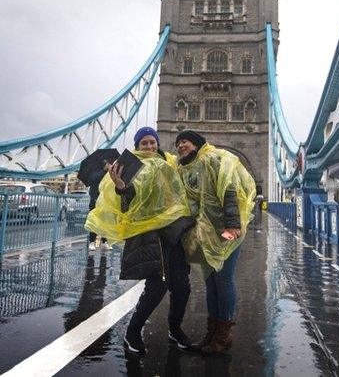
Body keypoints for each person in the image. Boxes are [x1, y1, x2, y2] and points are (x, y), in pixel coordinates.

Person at [85, 126, 194, 355]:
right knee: (157, 286)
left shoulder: (170, 162)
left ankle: (175, 330)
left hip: (174, 233)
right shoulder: (131, 166)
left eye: (152, 142)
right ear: (137, 146)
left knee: (182, 287)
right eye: (144, 143)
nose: (149, 146)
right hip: (149, 234)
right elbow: (127, 203)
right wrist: (121, 186)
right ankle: (132, 332)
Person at [174, 130, 256, 354]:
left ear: (197, 143)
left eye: (186, 141)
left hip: (226, 230)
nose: (181, 145)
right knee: (211, 281)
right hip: (207, 234)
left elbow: (229, 190)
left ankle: (223, 336)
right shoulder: (185, 168)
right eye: (178, 143)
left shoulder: (212, 159)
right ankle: (211, 334)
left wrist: (232, 225)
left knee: (224, 279)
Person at [87, 165, 110, 251]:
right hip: (95, 199)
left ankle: (104, 242)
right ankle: (92, 242)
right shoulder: (94, 169)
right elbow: (93, 179)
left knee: (105, 222)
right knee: (94, 221)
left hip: (105, 199)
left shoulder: (110, 171)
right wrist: (103, 170)